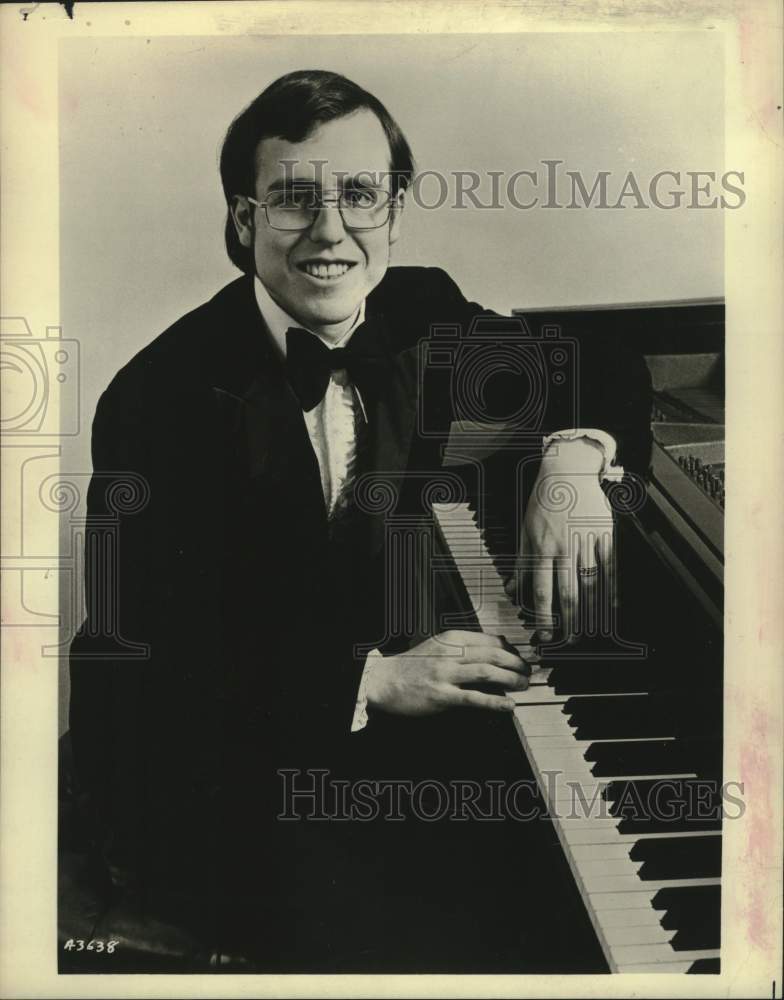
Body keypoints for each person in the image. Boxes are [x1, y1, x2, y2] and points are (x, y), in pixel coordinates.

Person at [67, 69, 652, 972]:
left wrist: (574, 461)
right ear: (242, 219)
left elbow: (600, 362)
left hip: (401, 740)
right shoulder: (158, 401)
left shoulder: (420, 310)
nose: (331, 230)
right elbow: (136, 669)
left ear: (395, 210)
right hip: (244, 777)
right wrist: (370, 681)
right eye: (295, 199)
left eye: (360, 195)